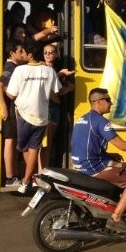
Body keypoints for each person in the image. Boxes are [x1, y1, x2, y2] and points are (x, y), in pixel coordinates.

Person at [70, 87, 126, 233]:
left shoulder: (82, 119)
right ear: (98, 102)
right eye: (108, 100)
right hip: (93, 166)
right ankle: (116, 217)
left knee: (122, 167)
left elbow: (87, 145)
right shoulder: (100, 121)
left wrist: (109, 155)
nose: (111, 103)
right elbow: (122, 145)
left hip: (81, 164)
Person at [5, 39, 61, 194]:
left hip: (24, 115)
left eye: (23, 51)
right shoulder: (49, 71)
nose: (22, 54)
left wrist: (6, 91)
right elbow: (56, 90)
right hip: (42, 116)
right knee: (34, 148)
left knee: (24, 148)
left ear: (30, 54)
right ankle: (29, 180)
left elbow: (11, 95)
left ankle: (27, 179)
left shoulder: (20, 70)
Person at [0, 38, 27, 189]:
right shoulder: (11, 67)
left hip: (13, 109)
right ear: (12, 53)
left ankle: (14, 174)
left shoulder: (16, 67)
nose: (23, 53)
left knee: (13, 142)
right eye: (20, 51)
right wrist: (3, 107)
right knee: (10, 141)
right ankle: (9, 177)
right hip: (11, 110)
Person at [40, 43, 75, 172]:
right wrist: (60, 76)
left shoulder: (55, 69)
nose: (48, 55)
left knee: (49, 143)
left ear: (56, 54)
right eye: (45, 52)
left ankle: (45, 170)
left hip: (55, 107)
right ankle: (41, 171)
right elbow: (47, 88)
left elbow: (59, 90)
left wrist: (67, 88)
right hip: (46, 107)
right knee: (44, 144)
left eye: (51, 52)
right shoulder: (41, 67)